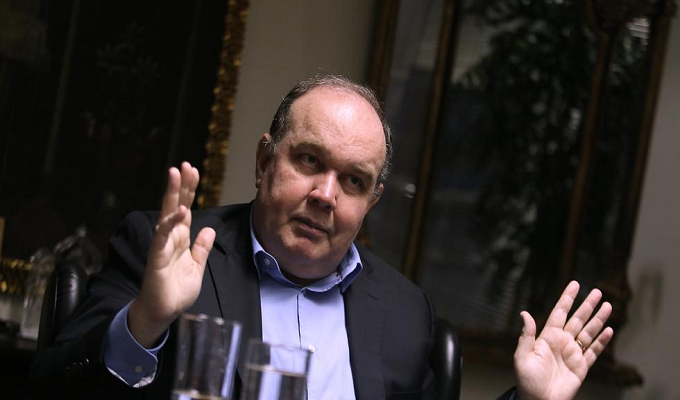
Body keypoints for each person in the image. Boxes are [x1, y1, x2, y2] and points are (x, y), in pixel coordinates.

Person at [32, 75, 613, 399]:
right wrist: (145, 322)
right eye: (309, 161)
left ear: (371, 201)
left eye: (354, 181)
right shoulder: (171, 250)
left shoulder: (405, 312)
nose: (326, 195)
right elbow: (54, 389)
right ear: (265, 160)